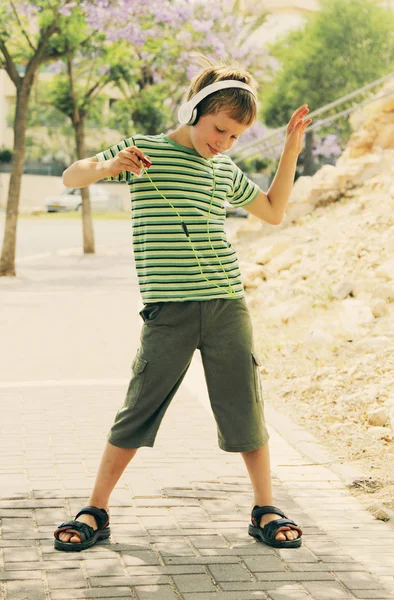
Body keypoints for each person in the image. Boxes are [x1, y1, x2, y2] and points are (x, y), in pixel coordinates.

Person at [54, 59, 312, 552]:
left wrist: (291, 151)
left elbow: (274, 212)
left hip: (226, 305)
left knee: (244, 406)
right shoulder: (145, 153)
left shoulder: (223, 168)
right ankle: (96, 508)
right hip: (168, 310)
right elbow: (72, 176)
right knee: (138, 408)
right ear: (194, 110)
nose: (223, 143)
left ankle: (265, 507)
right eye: (219, 129)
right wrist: (110, 165)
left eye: (235, 137)